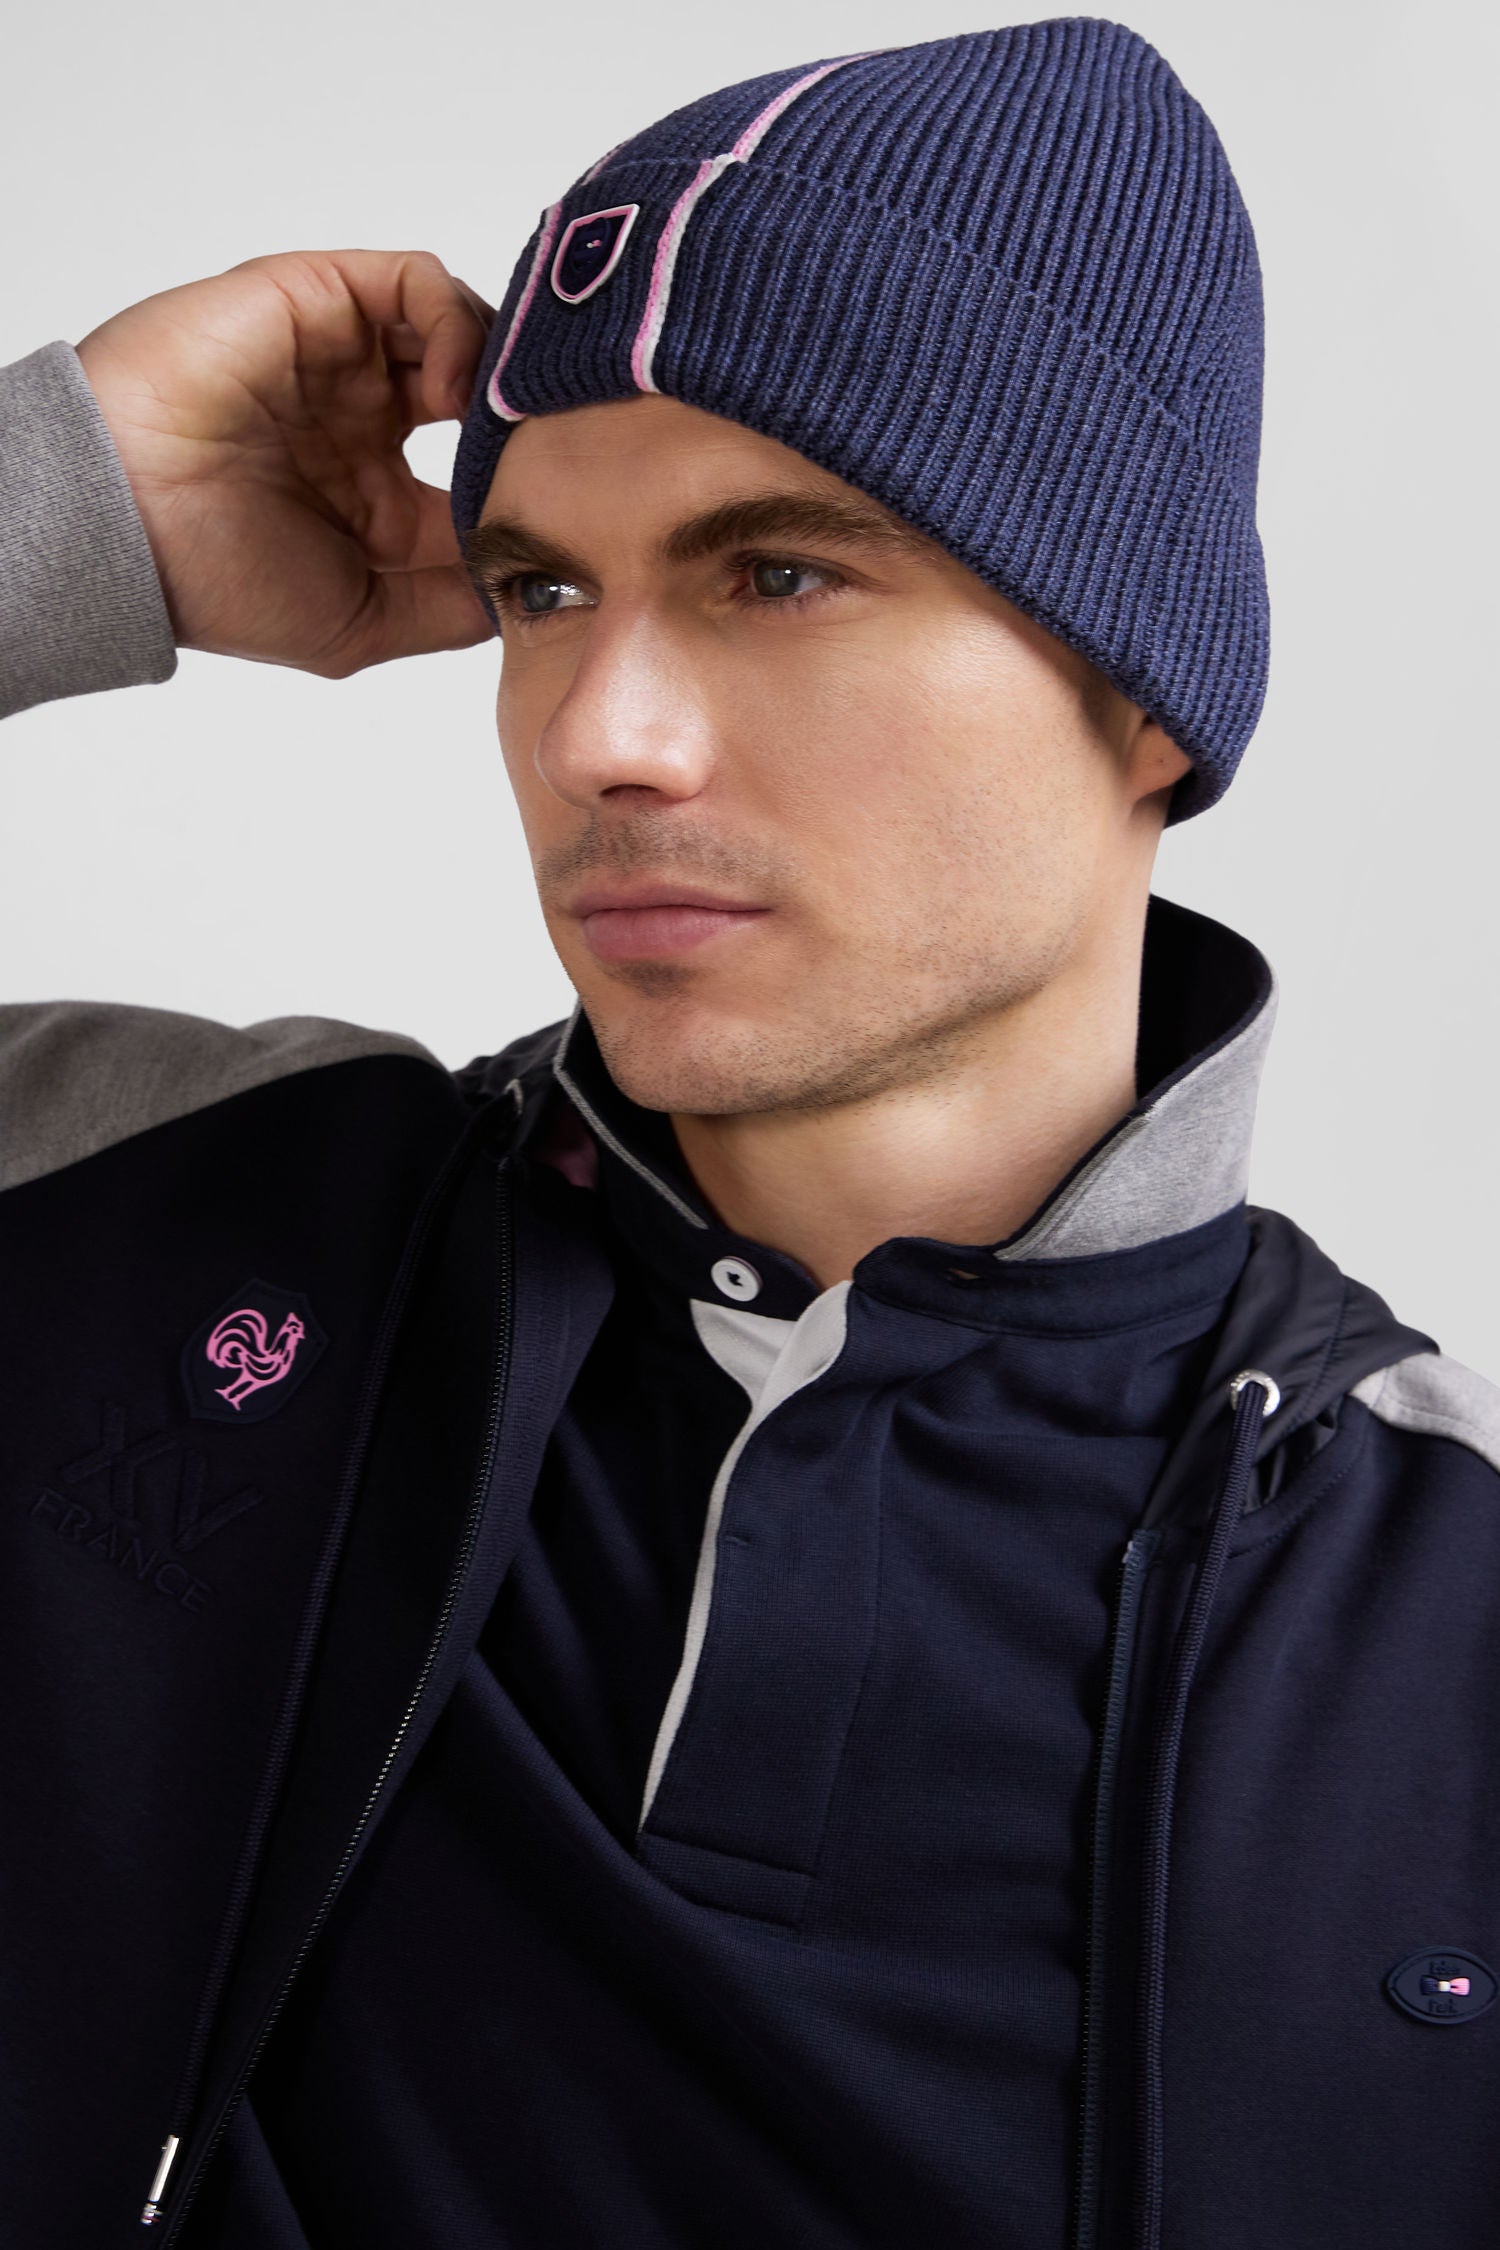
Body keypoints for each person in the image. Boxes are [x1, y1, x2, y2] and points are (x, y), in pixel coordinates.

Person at [2, 20, 1496, 2250]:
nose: (597, 734)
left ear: (1148, 696)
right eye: (541, 590)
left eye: (778, 573)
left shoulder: (1446, 1608)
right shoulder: (151, 1213)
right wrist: (63, 503)